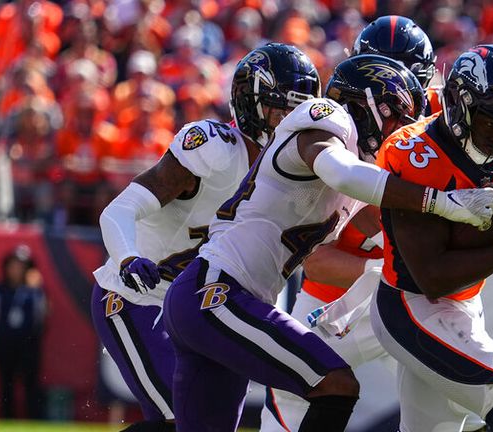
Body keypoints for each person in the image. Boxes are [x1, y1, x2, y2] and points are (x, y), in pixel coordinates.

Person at [162, 54, 493, 432]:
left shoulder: (356, 180)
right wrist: (443, 203)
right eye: (396, 119)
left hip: (212, 297)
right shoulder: (326, 116)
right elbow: (339, 171)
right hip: (216, 293)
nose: (398, 133)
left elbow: (391, 238)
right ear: (367, 103)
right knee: (334, 384)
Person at [90, 43, 322, 432]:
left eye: (296, 111)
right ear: (251, 104)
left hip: (202, 310)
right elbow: (118, 210)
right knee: (179, 422)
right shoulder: (214, 148)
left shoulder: (291, 175)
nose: (288, 120)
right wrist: (128, 259)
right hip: (135, 297)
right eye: (280, 108)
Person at [260, 15, 441, 431]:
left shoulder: (442, 132)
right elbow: (318, 260)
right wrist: (384, 271)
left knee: (444, 392)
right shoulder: (335, 132)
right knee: (291, 384)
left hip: (416, 294)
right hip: (335, 298)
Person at [370, 45, 493, 432]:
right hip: (412, 305)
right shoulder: (417, 153)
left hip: (465, 303)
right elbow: (431, 277)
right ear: (458, 104)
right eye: (491, 126)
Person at [0, 245, 47, 419]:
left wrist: (38, 289)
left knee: (31, 383)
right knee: (6, 384)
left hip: (28, 343)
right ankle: (6, 419)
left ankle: (34, 419)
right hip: (5, 343)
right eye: (13, 265)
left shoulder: (35, 291)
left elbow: (43, 315)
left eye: (21, 266)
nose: (17, 270)